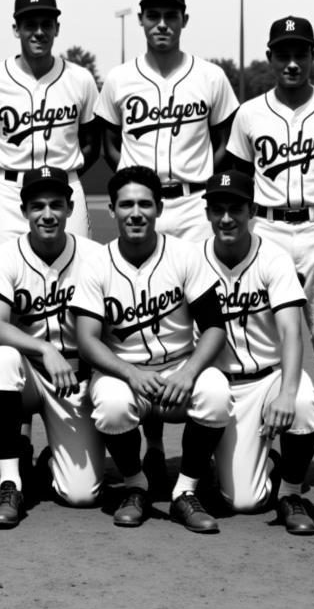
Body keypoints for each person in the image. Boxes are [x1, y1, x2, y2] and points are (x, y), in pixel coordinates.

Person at [226, 15, 314, 445]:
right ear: (269, 58)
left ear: (313, 56)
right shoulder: (249, 114)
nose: (291, 63)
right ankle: (257, 451)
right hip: (266, 230)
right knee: (261, 346)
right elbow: (238, 175)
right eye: (282, 54)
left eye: (299, 53)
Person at [72, 166, 230, 533]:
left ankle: (185, 491)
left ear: (159, 208)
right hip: (122, 372)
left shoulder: (185, 256)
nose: (136, 212)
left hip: (179, 367)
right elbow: (87, 339)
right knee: (111, 404)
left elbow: (214, 328)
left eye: (145, 204)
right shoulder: (97, 263)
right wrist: (129, 373)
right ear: (111, 210)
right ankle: (136, 485)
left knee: (217, 393)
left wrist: (189, 372)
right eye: (126, 205)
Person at [198, 171, 314, 535]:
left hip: (267, 379)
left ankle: (290, 491)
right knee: (243, 502)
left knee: (302, 400)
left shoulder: (274, 258)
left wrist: (286, 390)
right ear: (206, 212)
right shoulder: (192, 260)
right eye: (217, 209)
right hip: (216, 384)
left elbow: (291, 332)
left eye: (235, 208)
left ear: (251, 209)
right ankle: (252, 460)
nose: (226, 218)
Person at [0, 166, 105, 527]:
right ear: (24, 212)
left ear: (70, 208)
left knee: (82, 495)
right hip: (28, 376)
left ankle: (52, 456)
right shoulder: (7, 255)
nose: (47, 214)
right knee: (2, 359)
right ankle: (9, 481)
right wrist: (45, 351)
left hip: (74, 380)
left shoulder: (94, 256)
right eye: (37, 206)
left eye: (55, 205)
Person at [95, 0, 238, 243]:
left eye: (171, 16)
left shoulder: (211, 76)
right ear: (140, 19)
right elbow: (111, 144)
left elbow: (225, 144)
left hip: (195, 205)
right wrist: (135, 179)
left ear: (184, 20)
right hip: (141, 203)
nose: (162, 24)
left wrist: (203, 173)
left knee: (199, 282)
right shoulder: (119, 78)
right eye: (153, 16)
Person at [0, 0, 99, 252]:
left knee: (77, 274)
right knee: (3, 272)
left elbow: (92, 143)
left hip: (66, 188)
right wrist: (5, 171)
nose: (39, 32)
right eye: (30, 25)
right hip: (10, 192)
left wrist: (65, 174)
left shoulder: (80, 79)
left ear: (57, 28)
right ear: (16, 29)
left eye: (46, 25)